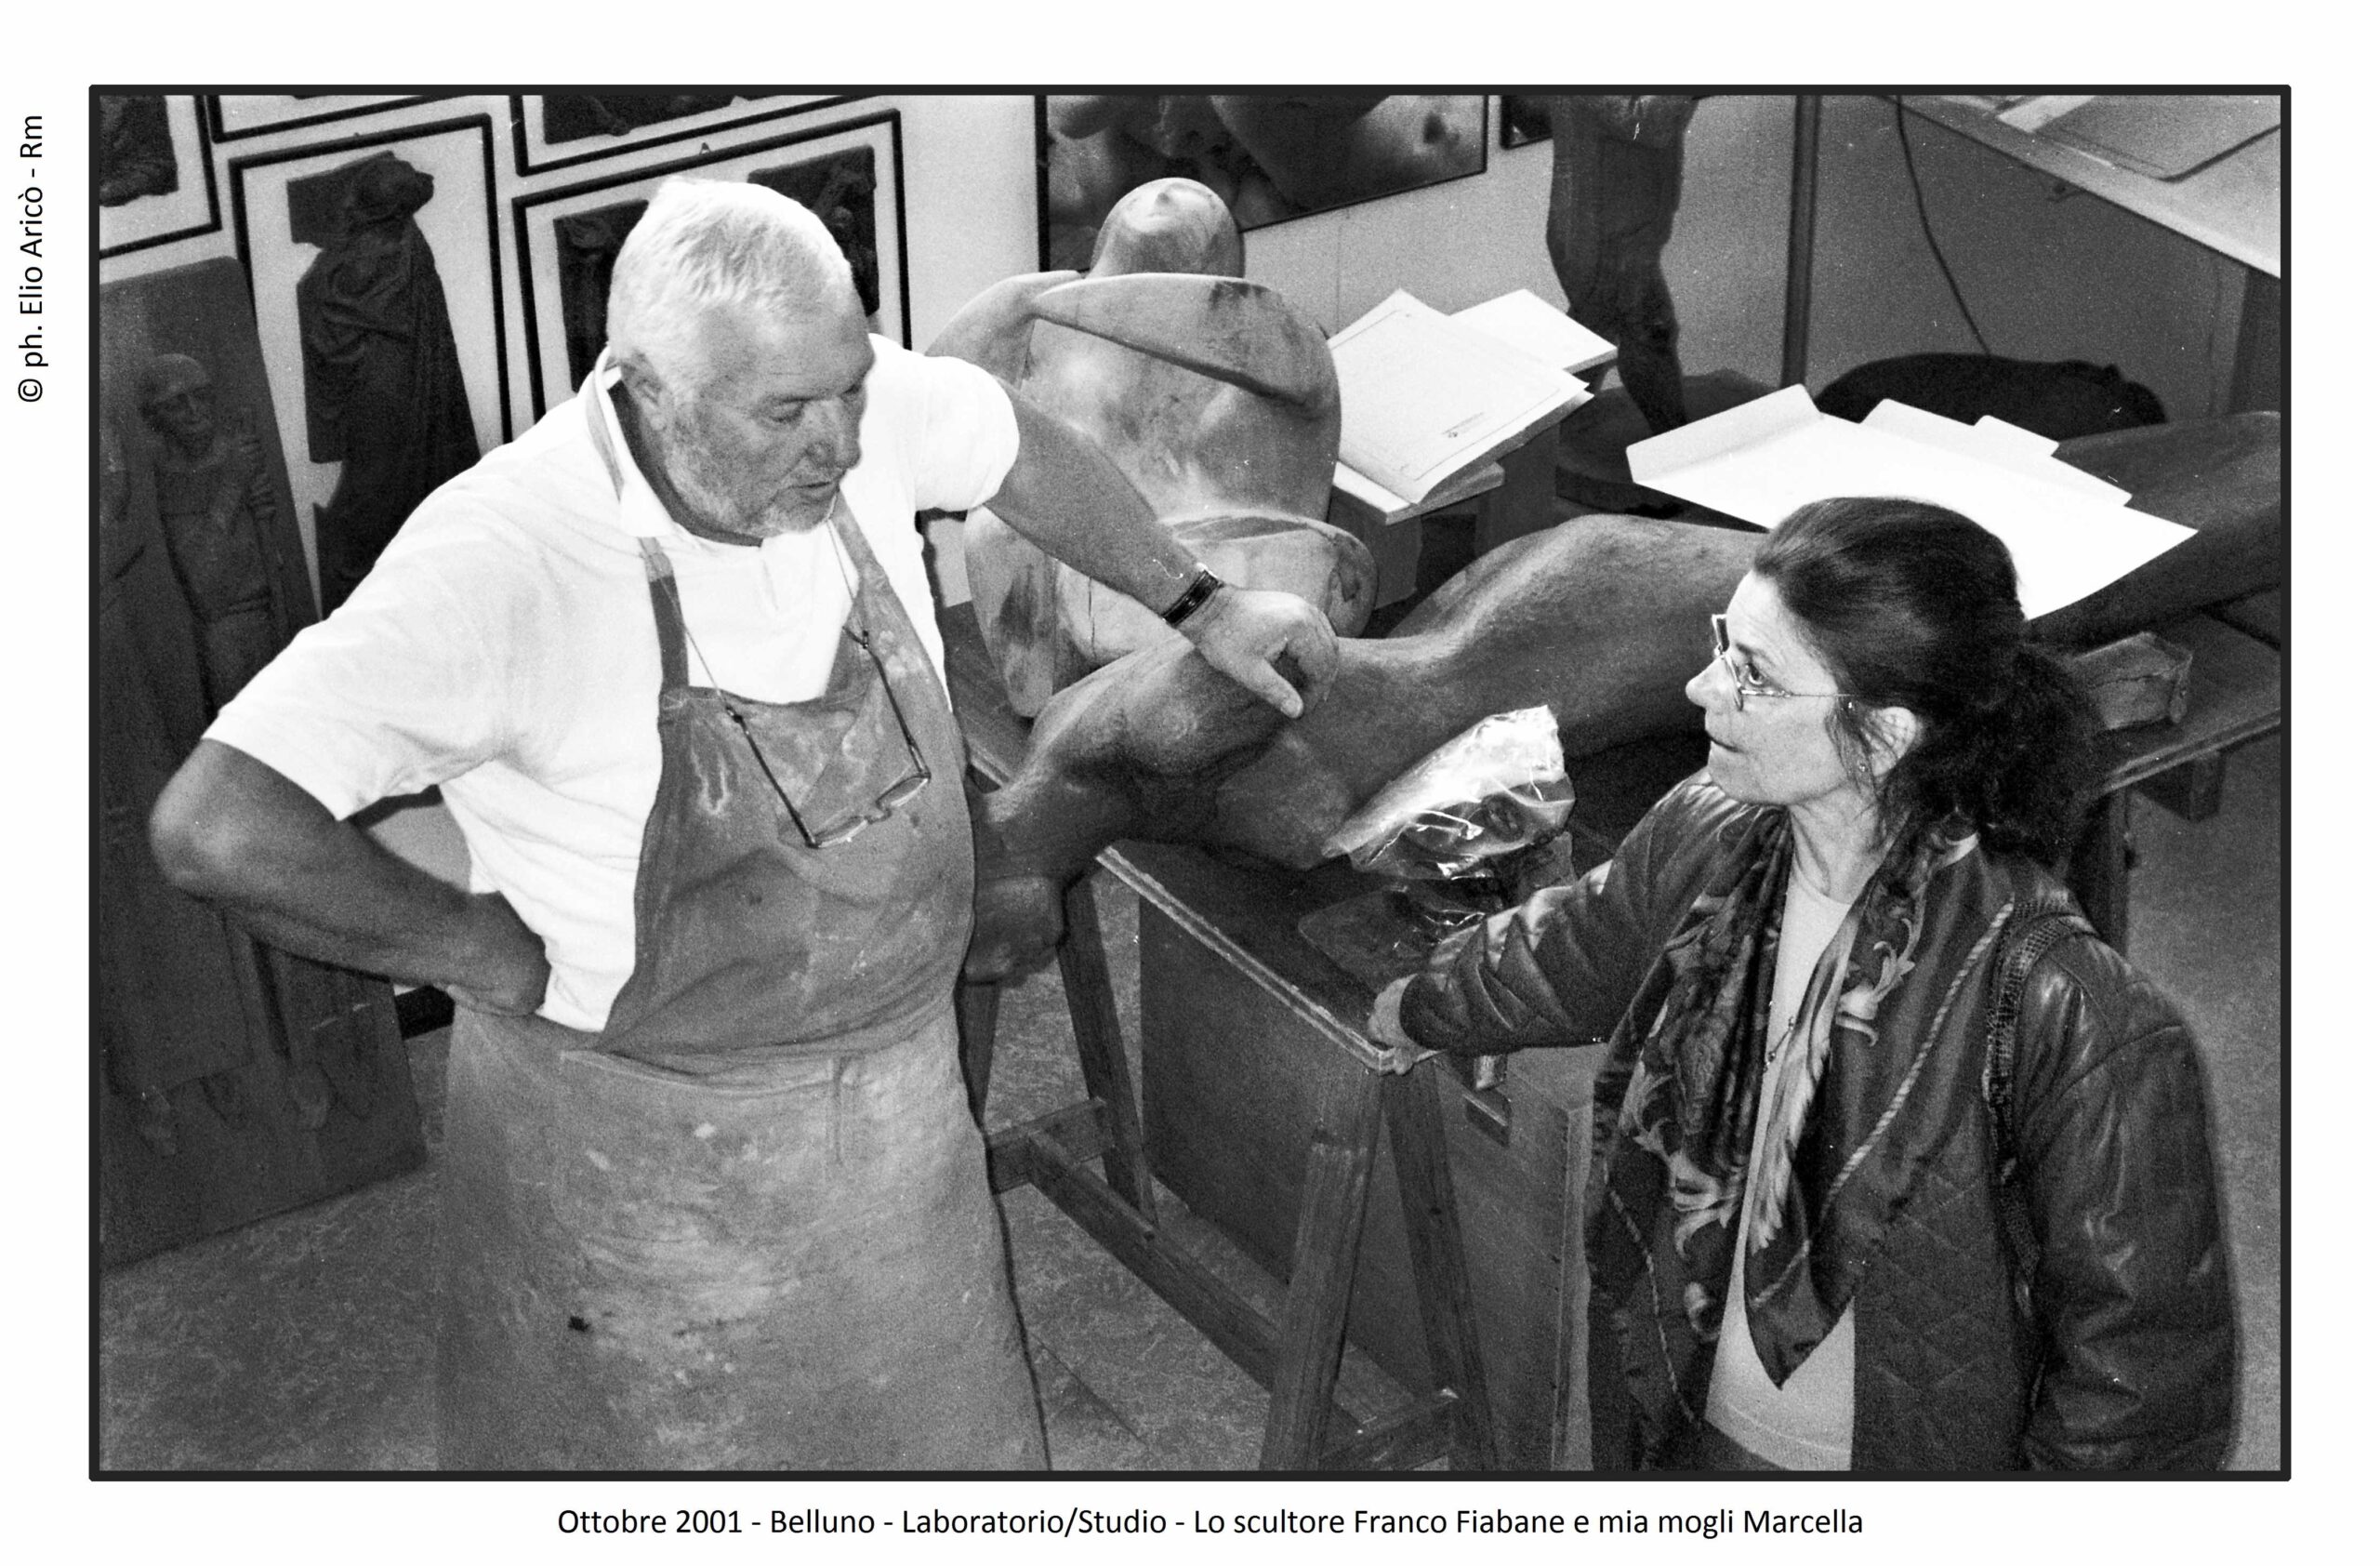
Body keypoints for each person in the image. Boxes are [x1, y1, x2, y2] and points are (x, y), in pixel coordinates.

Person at [150, 177, 1338, 1470]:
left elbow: (1015, 446)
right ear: (651, 391)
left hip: (898, 1118)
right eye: (786, 415)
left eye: (848, 391)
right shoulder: (506, 559)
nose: (838, 443)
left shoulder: (847, 398)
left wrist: (1200, 601)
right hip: (639, 1172)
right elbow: (220, 823)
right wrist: (470, 947)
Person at [1367, 497, 2234, 1470]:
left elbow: (2139, 1384)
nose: (1701, 687)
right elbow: (1575, 948)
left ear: (1884, 734)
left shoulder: (2069, 1010)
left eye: (1753, 673)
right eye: (1722, 645)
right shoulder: (1710, 829)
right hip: (1673, 1401)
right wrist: (1421, 1003)